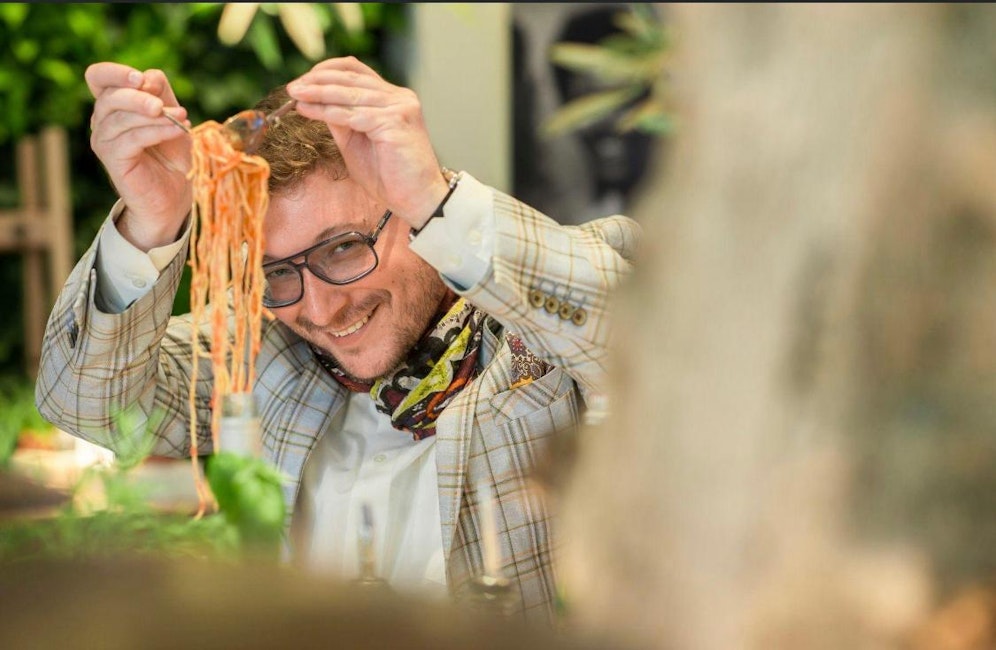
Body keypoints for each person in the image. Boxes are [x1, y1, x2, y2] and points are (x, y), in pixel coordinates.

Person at [35, 57, 640, 622]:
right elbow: (88, 401)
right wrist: (151, 220)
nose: (321, 308)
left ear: (412, 212)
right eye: (278, 271)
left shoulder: (538, 337)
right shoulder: (267, 348)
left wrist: (436, 198)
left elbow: (636, 339)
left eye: (345, 246)